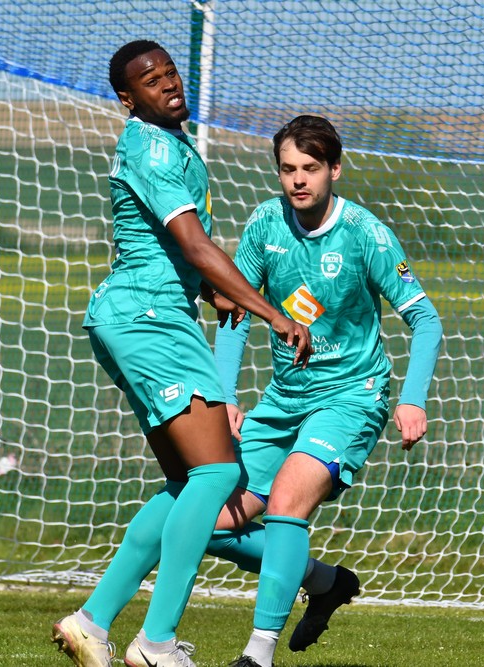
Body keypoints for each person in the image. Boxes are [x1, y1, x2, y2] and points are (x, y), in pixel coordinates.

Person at [51, 41, 312, 667]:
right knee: (218, 474)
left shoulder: (169, 143)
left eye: (171, 72)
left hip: (146, 315)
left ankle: (91, 622)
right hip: (149, 317)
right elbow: (194, 245)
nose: (168, 83)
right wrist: (270, 312)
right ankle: (156, 642)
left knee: (185, 483)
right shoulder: (152, 147)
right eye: (151, 79)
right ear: (127, 98)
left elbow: (177, 252)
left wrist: (212, 293)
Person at [207, 115, 442, 667]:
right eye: (288, 168)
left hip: (351, 398)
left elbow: (426, 320)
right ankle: (324, 581)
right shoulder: (266, 223)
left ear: (334, 169)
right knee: (209, 524)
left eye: (310, 168)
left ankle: (258, 655)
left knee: (286, 504)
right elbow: (235, 311)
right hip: (283, 401)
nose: (298, 179)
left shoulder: (364, 233)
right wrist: (224, 396)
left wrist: (412, 398)